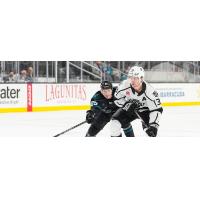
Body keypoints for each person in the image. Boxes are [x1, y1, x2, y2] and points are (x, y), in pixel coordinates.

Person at [110, 66, 163, 137]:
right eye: (130, 78)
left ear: (141, 78)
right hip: (129, 109)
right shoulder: (124, 85)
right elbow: (116, 99)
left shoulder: (150, 91)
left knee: (152, 133)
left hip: (145, 111)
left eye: (135, 78)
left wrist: (154, 125)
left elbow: (156, 109)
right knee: (115, 122)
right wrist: (126, 104)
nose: (132, 81)